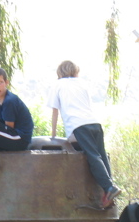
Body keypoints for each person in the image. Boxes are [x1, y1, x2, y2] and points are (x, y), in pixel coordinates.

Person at [49, 60, 121, 208]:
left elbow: (55, 110)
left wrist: (53, 135)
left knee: (92, 155)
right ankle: (109, 189)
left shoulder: (58, 85)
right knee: (101, 155)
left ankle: (109, 188)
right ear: (75, 71)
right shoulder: (82, 83)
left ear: (59, 72)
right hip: (94, 123)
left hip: (78, 124)